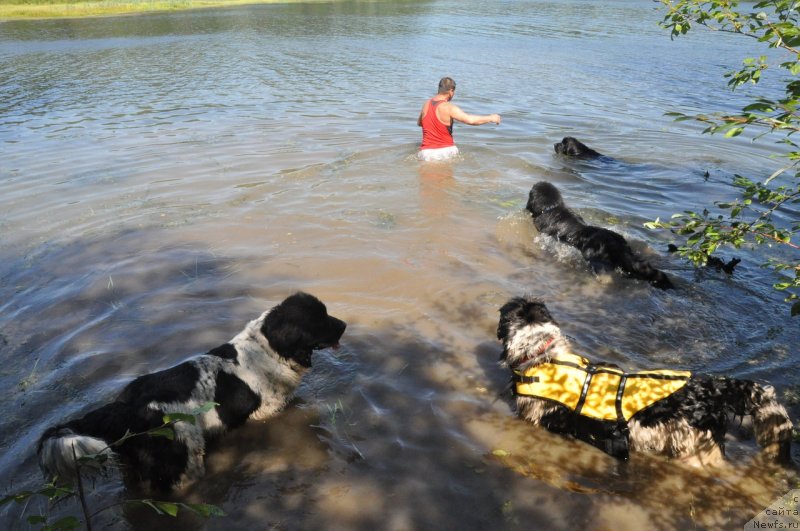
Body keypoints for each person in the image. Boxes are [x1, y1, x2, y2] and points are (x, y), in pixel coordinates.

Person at [417, 77, 501, 162]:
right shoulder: (449, 107)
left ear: (439, 88)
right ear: (451, 91)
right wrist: (491, 118)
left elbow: (420, 123)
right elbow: (470, 120)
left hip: (425, 153)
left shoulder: (426, 104)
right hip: (445, 151)